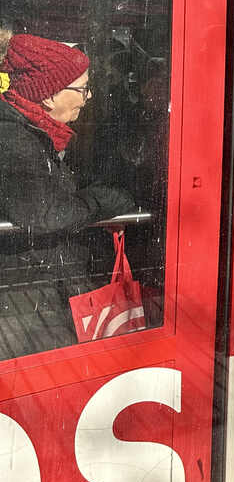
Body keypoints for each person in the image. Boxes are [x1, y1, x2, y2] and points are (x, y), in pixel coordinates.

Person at [0, 33, 135, 357]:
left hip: (37, 292)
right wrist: (105, 201)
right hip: (26, 301)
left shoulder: (34, 132)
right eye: (82, 88)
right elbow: (44, 214)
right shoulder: (13, 138)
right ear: (48, 95)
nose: (88, 97)